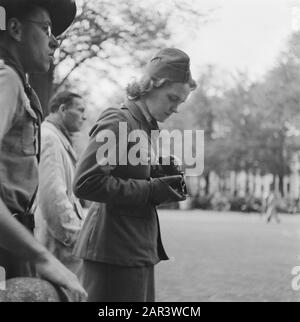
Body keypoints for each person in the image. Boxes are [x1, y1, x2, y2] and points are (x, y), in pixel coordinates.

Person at [73, 48, 197, 302]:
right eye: (172, 98)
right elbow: (86, 182)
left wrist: (159, 171)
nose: (175, 108)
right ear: (151, 86)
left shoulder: (144, 126)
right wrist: (152, 189)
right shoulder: (119, 120)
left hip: (133, 248)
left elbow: (127, 171)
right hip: (113, 252)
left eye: (180, 103)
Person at [0, 0, 86, 301]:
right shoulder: (7, 80)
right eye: (46, 28)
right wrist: (42, 257)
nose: (54, 40)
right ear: (15, 29)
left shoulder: (19, 84)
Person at [35, 91, 86, 274]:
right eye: (80, 110)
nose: (84, 116)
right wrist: (74, 237)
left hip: (59, 244)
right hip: (58, 246)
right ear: (63, 109)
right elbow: (52, 195)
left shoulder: (57, 137)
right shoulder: (49, 138)